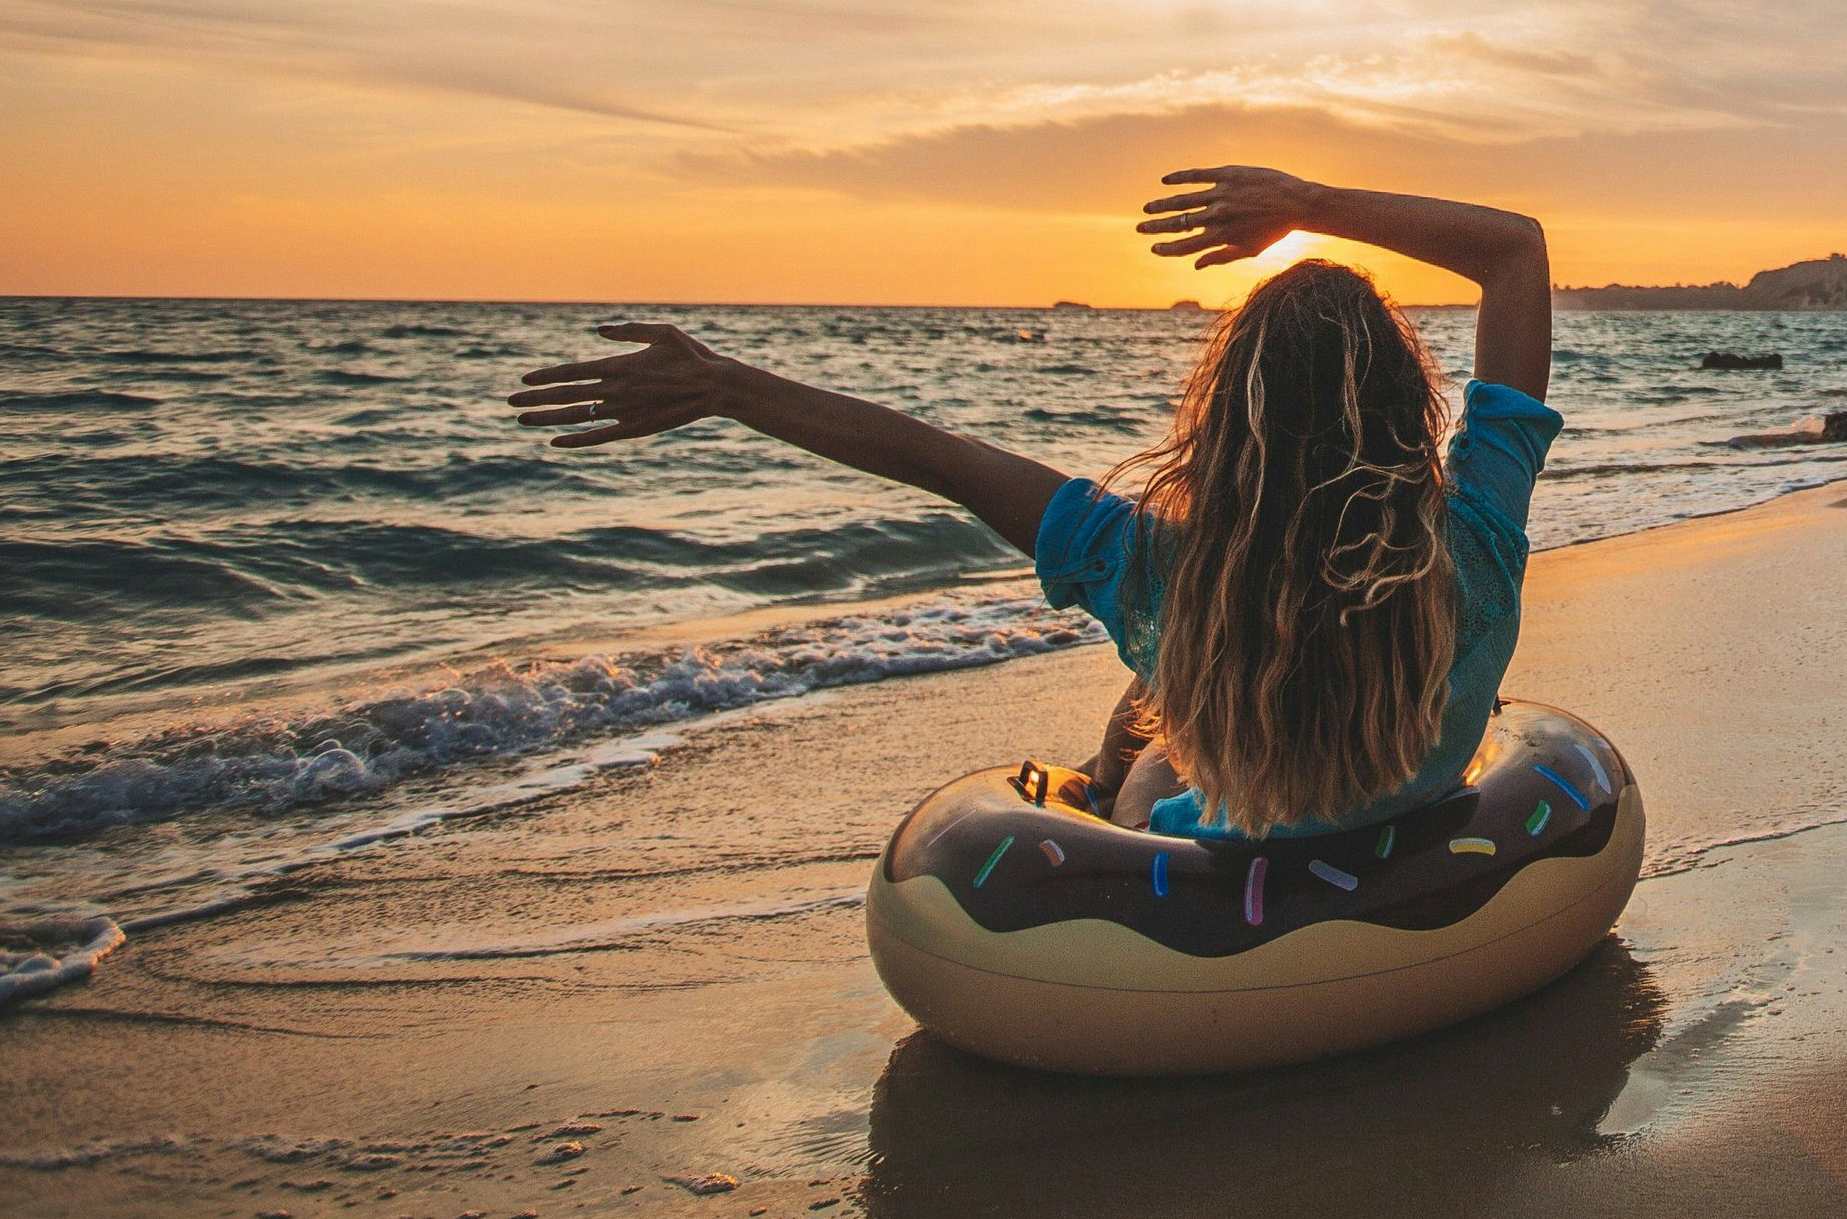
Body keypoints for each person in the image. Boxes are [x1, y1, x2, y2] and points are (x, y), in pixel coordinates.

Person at [507, 166, 1556, 842]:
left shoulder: (1162, 570)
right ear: (1406, 405)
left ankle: (1111, 787)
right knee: (1166, 690)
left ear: (1231, 423)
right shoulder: (1476, 540)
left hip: (1217, 861)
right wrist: (1307, 203)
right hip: (1414, 807)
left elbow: (942, 457)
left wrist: (728, 387)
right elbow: (1513, 250)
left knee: (1154, 738)